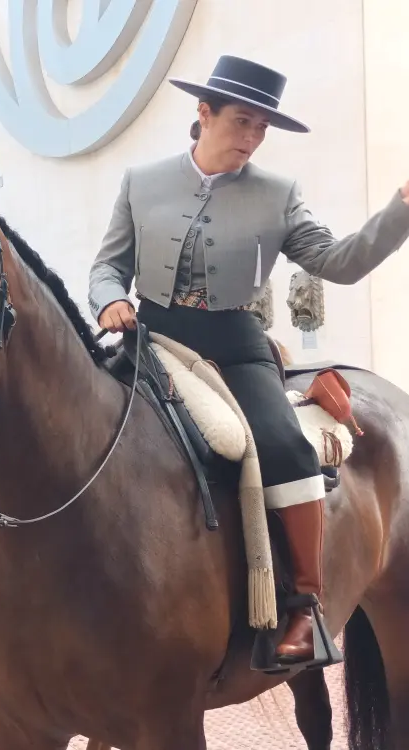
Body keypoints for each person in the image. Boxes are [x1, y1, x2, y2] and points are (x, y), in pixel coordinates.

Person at [88, 55, 409, 667]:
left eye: (262, 128)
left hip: (235, 343)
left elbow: (339, 263)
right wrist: (108, 300)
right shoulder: (140, 181)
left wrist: (401, 208)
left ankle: (304, 609)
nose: (252, 138)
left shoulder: (278, 194)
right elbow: (108, 265)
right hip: (150, 337)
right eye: (242, 122)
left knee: (286, 447)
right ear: (203, 113)